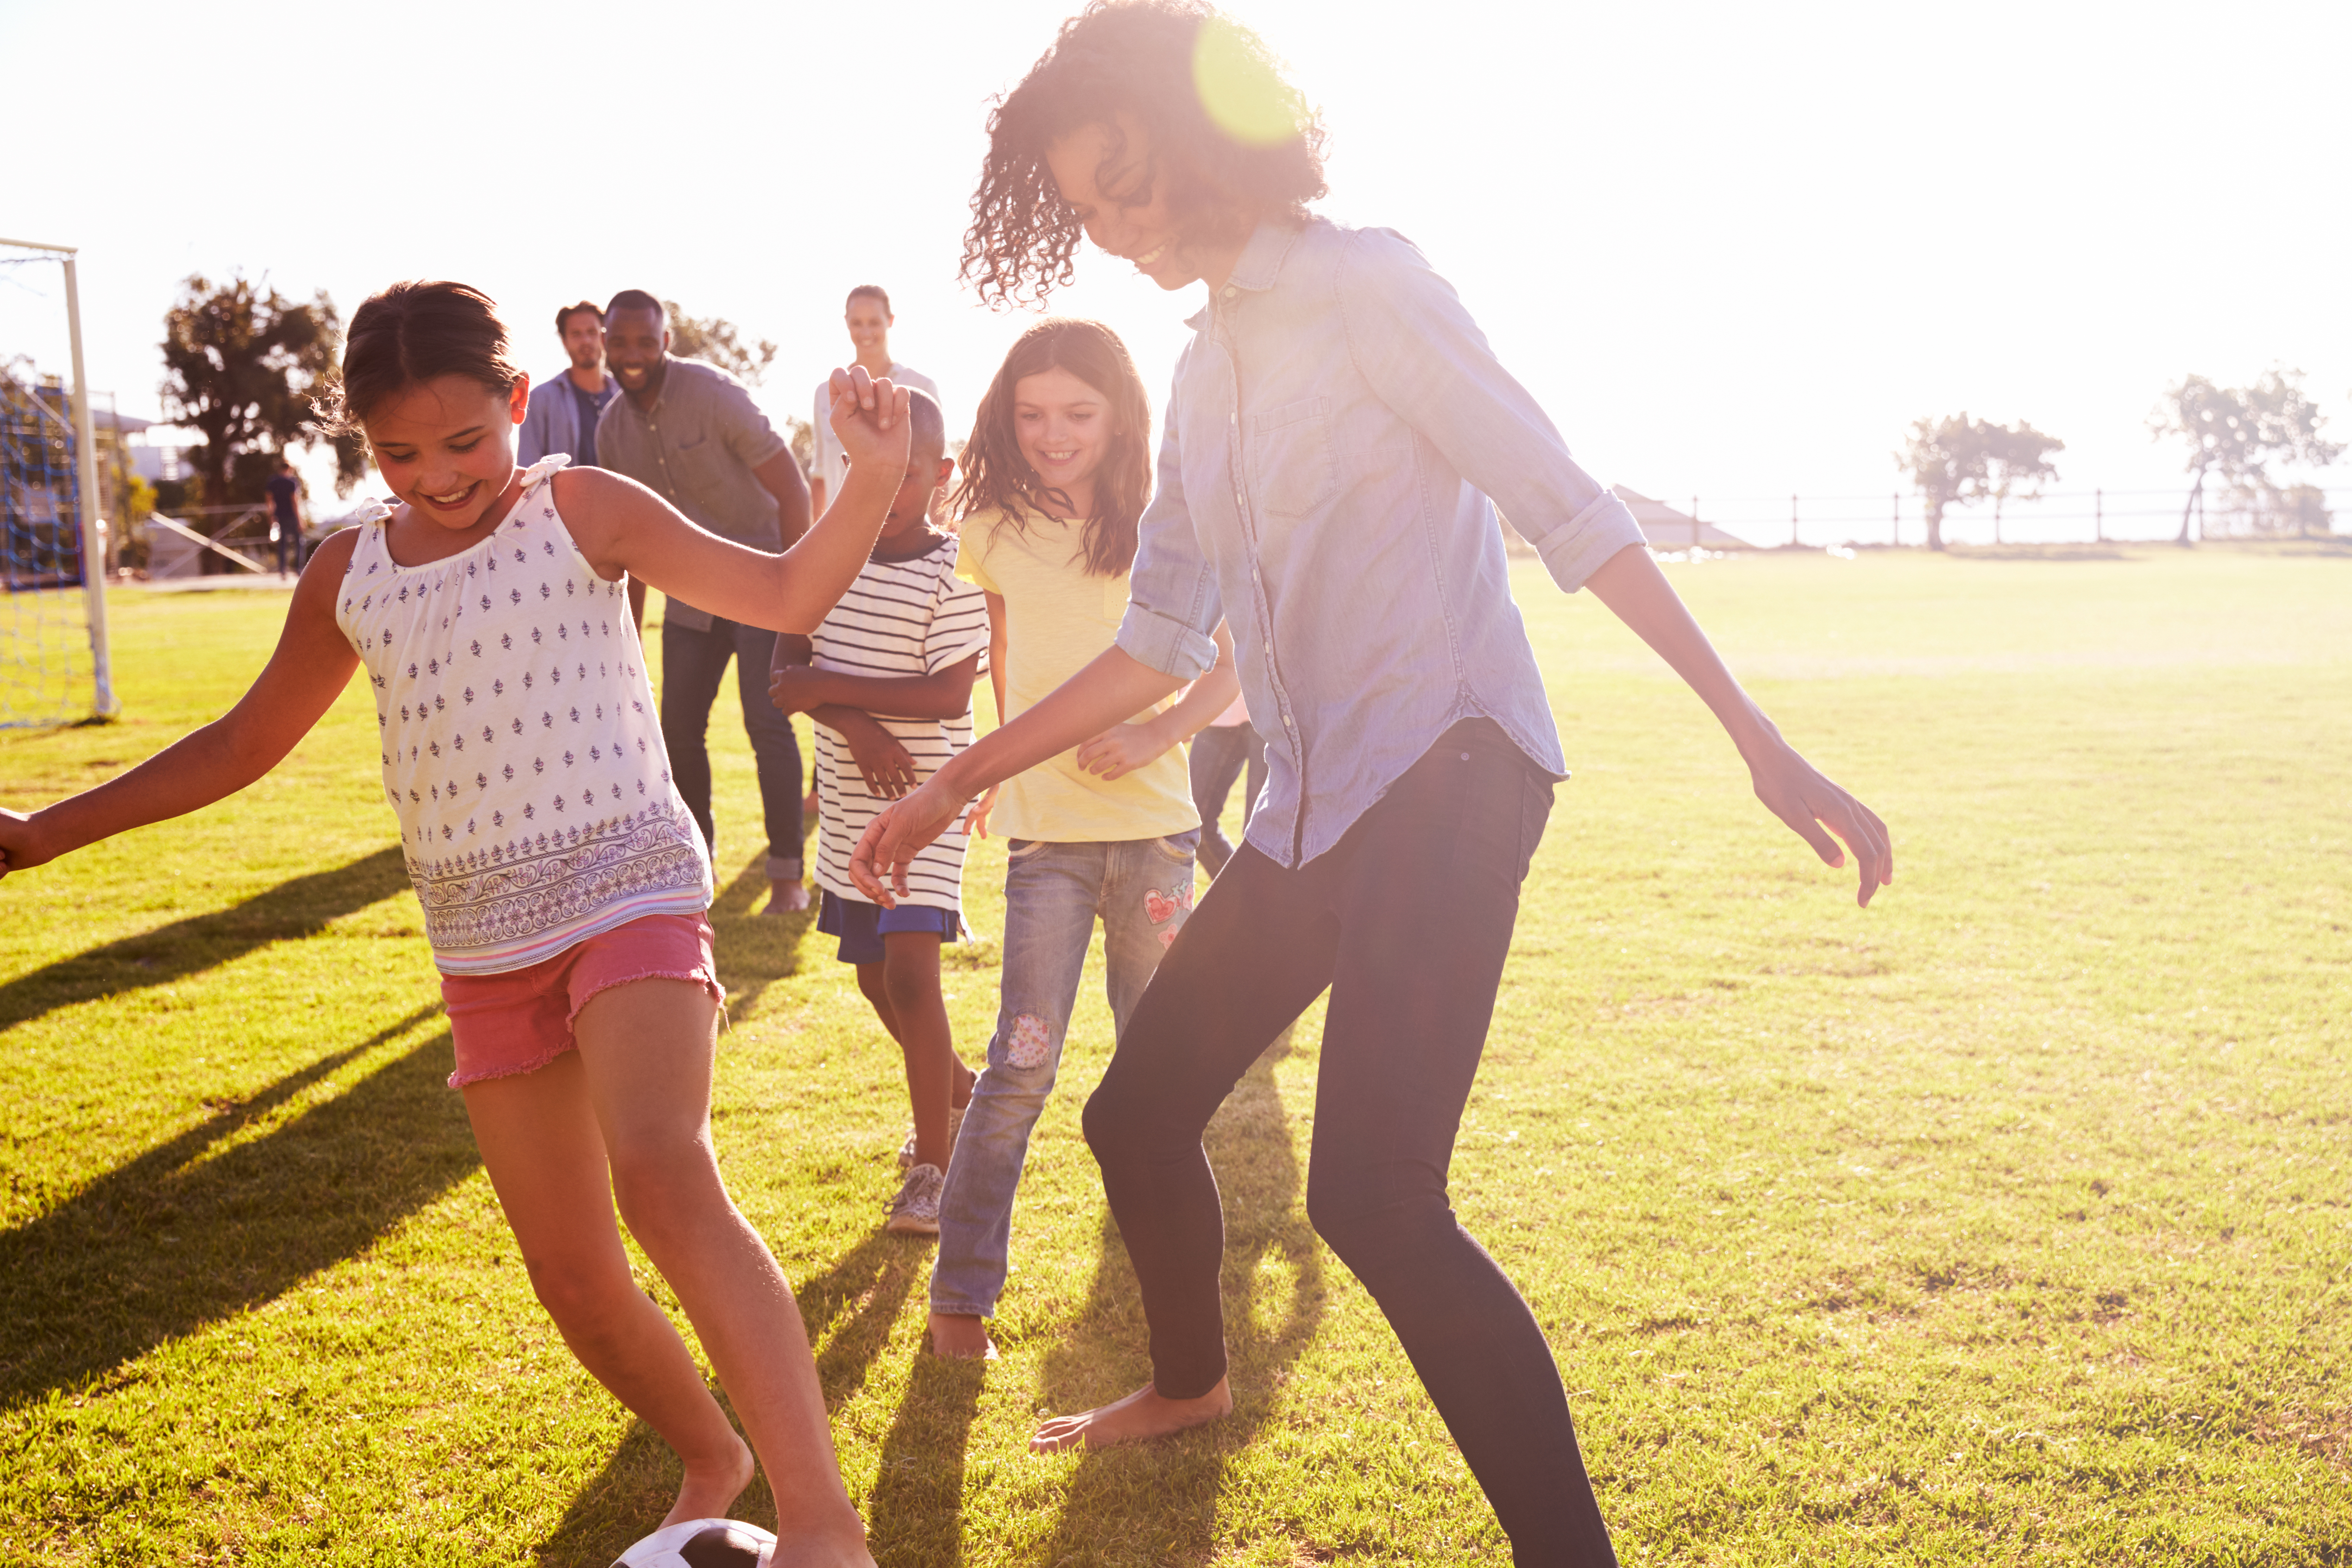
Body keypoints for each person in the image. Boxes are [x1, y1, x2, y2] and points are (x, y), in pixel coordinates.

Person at [850, 5, 1892, 1563]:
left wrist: (1752, 732)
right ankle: (1191, 1384)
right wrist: (955, 783)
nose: (1117, 225)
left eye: (1130, 180)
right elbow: (1156, 636)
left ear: (1205, 140)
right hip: (1312, 804)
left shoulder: (1367, 288)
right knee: (1134, 1113)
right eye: (1085, 206)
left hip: (1455, 767)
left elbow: (1566, 504)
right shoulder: (1196, 378)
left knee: (1375, 1195)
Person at [0, 279, 914, 1566]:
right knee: (576, 1283)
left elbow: (781, 592)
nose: (439, 476)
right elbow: (242, 744)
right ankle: (712, 1454)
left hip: (626, 883)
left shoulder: (576, 509)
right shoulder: (349, 572)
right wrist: (47, 833)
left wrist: (870, 476)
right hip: (484, 944)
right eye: (400, 453)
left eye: (465, 441)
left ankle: (825, 1525)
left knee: (660, 1167)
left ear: (518, 405)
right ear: (364, 447)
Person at [921, 318, 1237, 1361]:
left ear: (1122, 416)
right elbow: (1007, 660)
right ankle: (960, 1299)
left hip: (1158, 842)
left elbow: (1238, 661)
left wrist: (1159, 729)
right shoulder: (995, 529)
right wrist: (995, 776)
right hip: (1046, 842)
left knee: (1162, 1073)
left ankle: (1172, 1288)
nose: (1053, 435)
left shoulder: (1170, 524)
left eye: (1078, 414)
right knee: (1019, 1066)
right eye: (1031, 414)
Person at [768, 390, 988, 1236]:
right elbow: (788, 675)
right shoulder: (822, 556)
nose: (887, 488)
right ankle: (961, 1089)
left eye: (904, 474)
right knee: (869, 975)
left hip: (927, 799)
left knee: (908, 972)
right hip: (853, 798)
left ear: (940, 476)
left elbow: (944, 694)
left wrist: (831, 687)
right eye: (871, 470)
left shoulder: (953, 568)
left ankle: (932, 1170)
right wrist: (851, 723)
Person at [598, 289, 815, 915]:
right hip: (688, 602)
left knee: (766, 724)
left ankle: (787, 879)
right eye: (621, 342)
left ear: (665, 341)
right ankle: (698, 869)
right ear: (608, 346)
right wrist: (628, 636)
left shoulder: (715, 395)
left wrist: (795, 600)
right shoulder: (611, 429)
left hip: (757, 585)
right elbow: (628, 543)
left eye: (645, 341)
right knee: (677, 733)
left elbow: (792, 490)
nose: (632, 354)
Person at [809, 286, 941, 524]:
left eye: (874, 322)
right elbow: (820, 475)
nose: (866, 331)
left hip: (905, 537)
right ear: (846, 323)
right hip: (840, 534)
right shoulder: (824, 393)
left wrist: (942, 539)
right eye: (857, 323)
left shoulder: (922, 386)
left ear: (890, 321)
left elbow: (936, 473)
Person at [1187, 688, 1264, 879]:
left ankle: (1258, 905)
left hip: (1271, 708)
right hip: (1216, 708)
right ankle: (1242, 901)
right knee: (1193, 824)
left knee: (1262, 837)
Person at [264, 456, 303, 576]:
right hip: (292, 515)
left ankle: (283, 570)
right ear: (289, 469)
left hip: (279, 515)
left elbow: (269, 502)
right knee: (299, 542)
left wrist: (271, 516)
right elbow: (295, 502)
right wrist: (300, 520)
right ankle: (298, 569)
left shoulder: (273, 482)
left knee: (282, 543)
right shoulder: (292, 483)